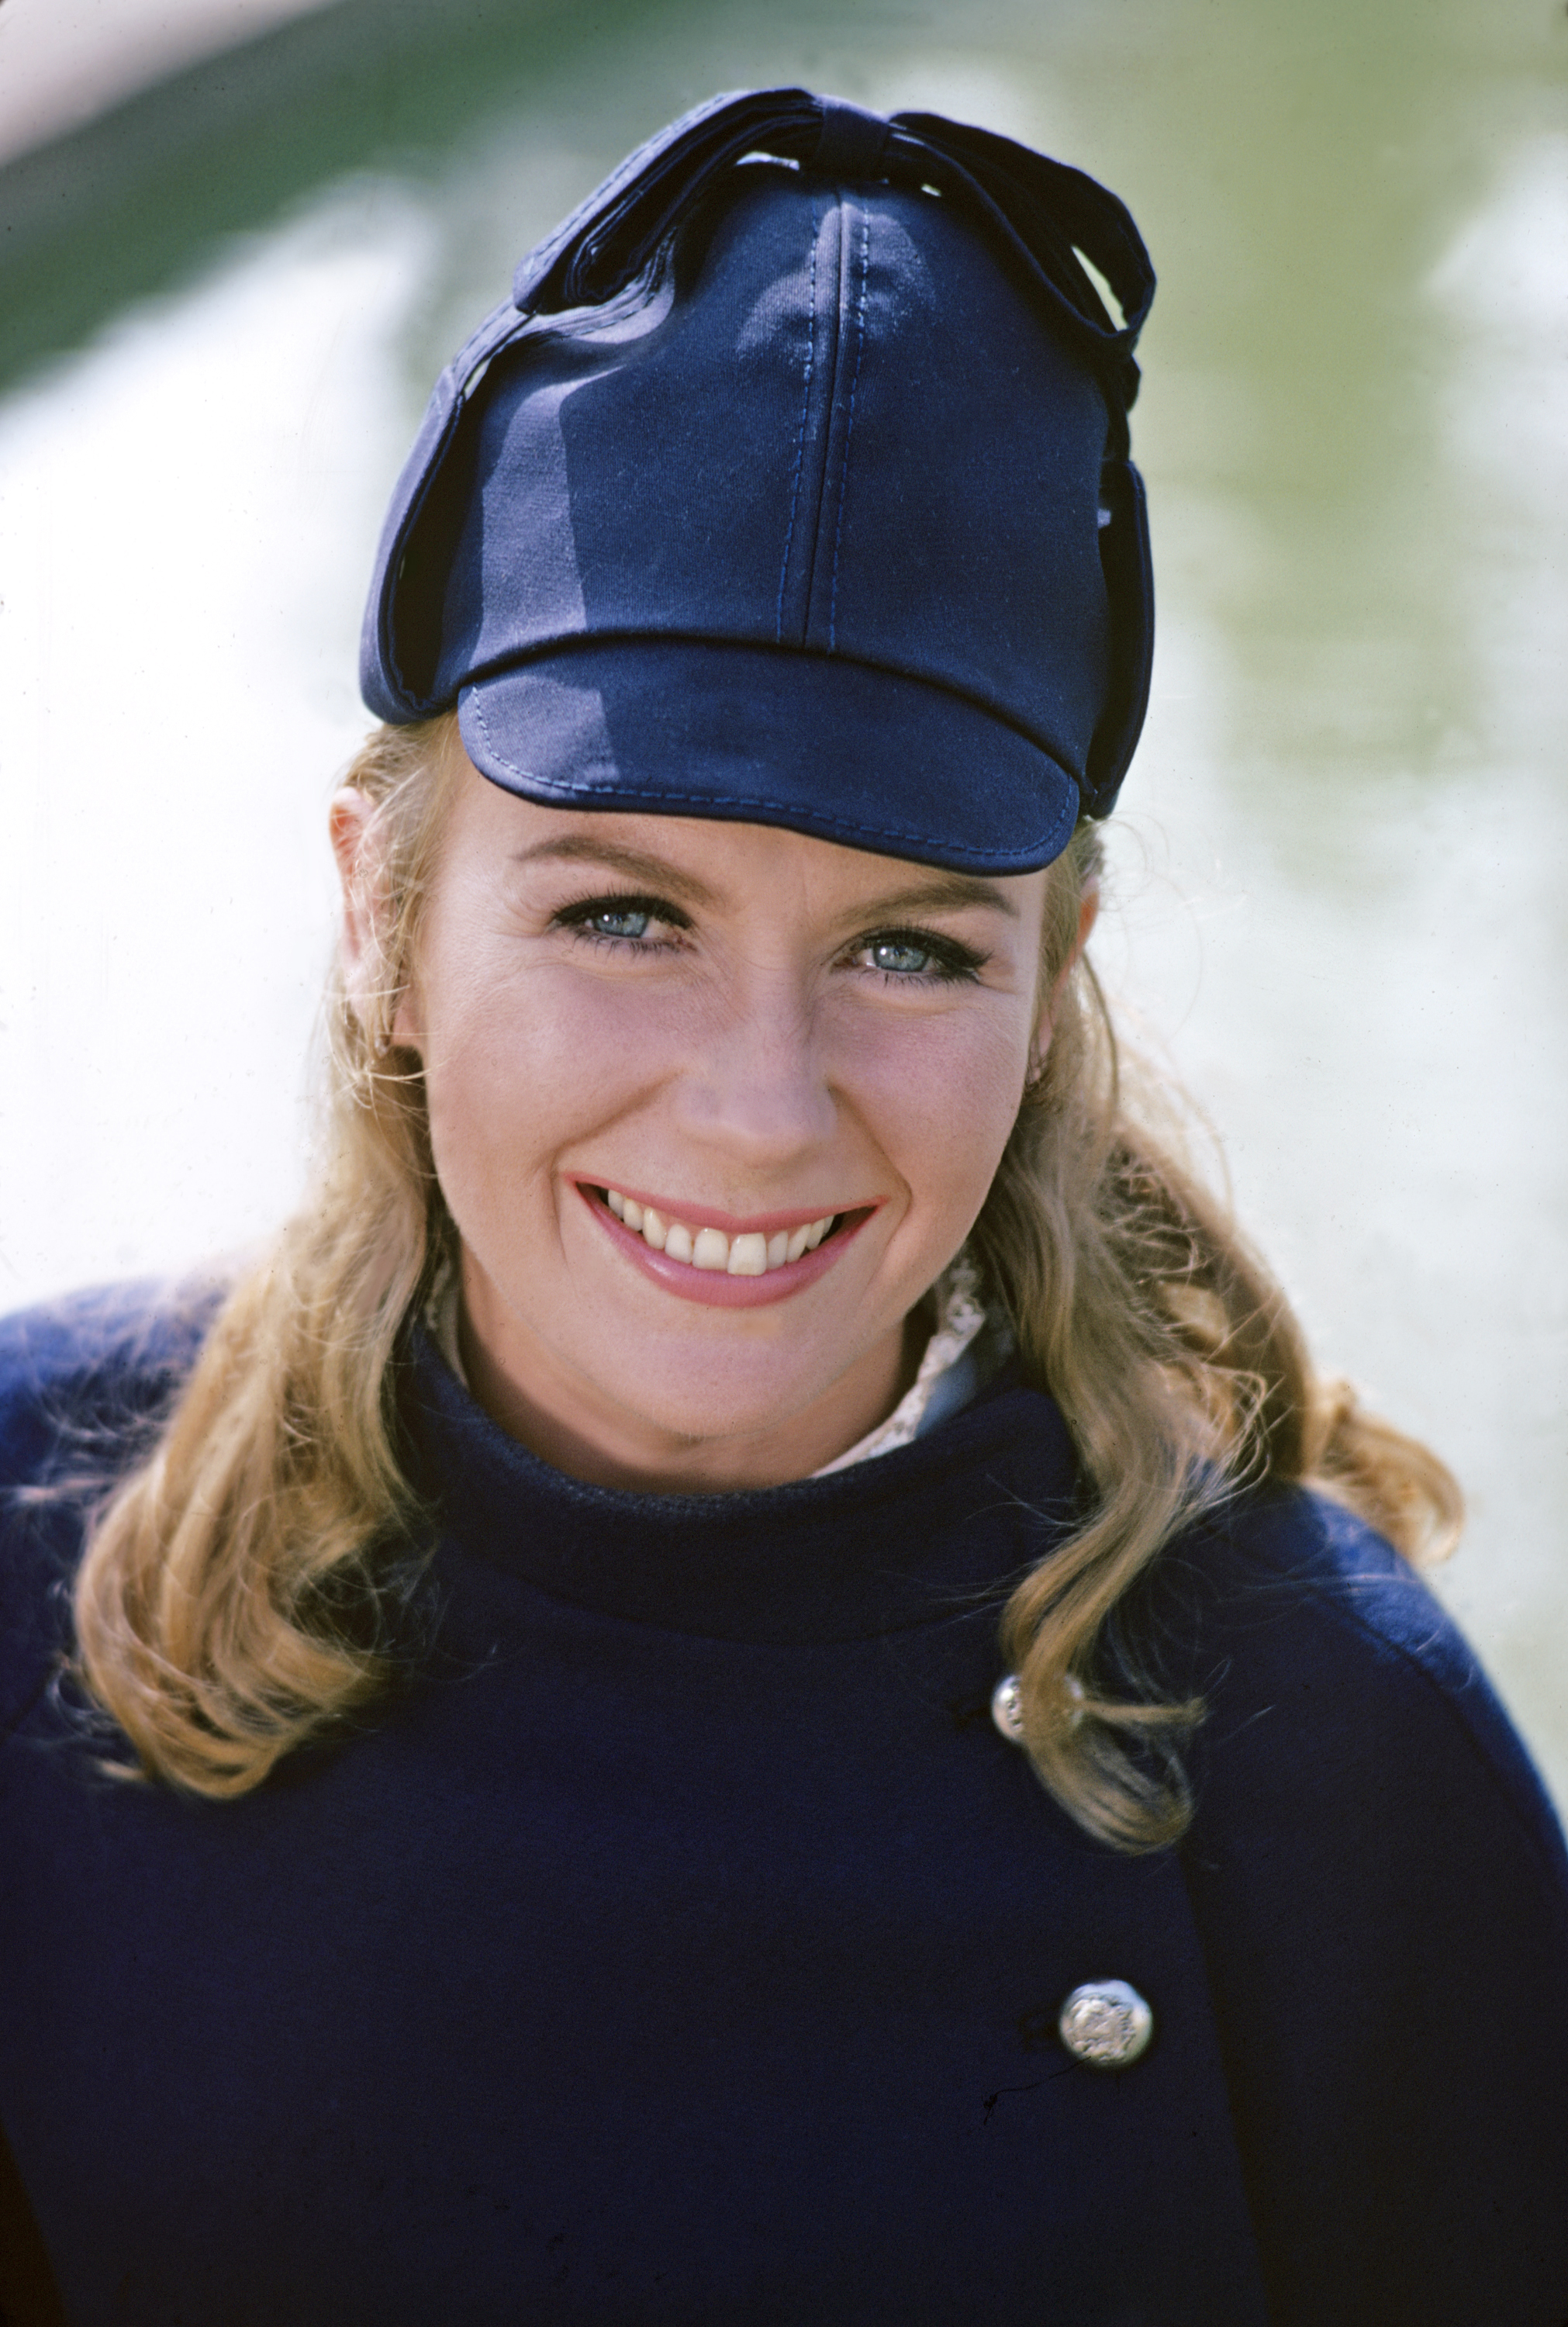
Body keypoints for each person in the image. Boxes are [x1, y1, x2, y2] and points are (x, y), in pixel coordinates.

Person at [1, 88, 1564, 2327]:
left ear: (1056, 975)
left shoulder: (1327, 1751)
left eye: (910, 948)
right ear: (383, 912)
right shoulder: (30, 1557)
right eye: (624, 914)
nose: (756, 1112)